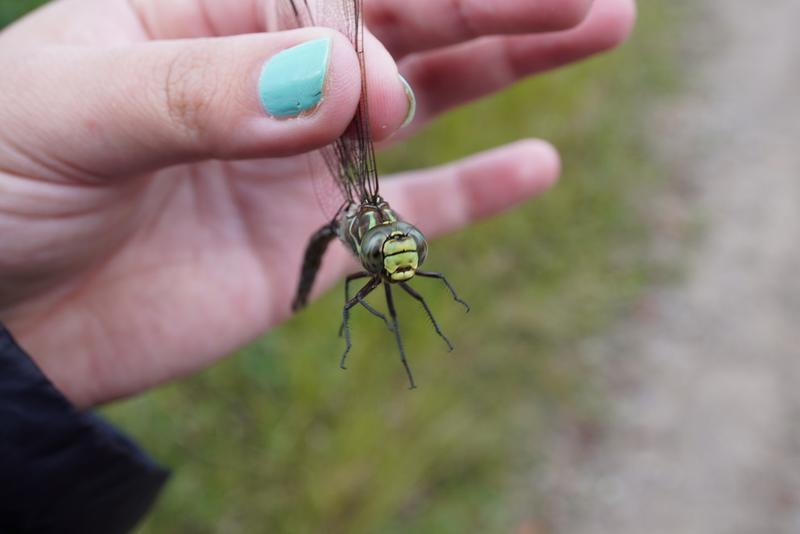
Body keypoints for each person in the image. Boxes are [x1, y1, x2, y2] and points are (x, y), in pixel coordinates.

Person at [0, 0, 635, 531]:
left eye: (403, 247)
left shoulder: (396, 254)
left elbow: (415, 278)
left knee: (398, 300)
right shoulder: (363, 224)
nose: (405, 258)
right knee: (366, 305)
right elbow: (366, 300)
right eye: (397, 249)